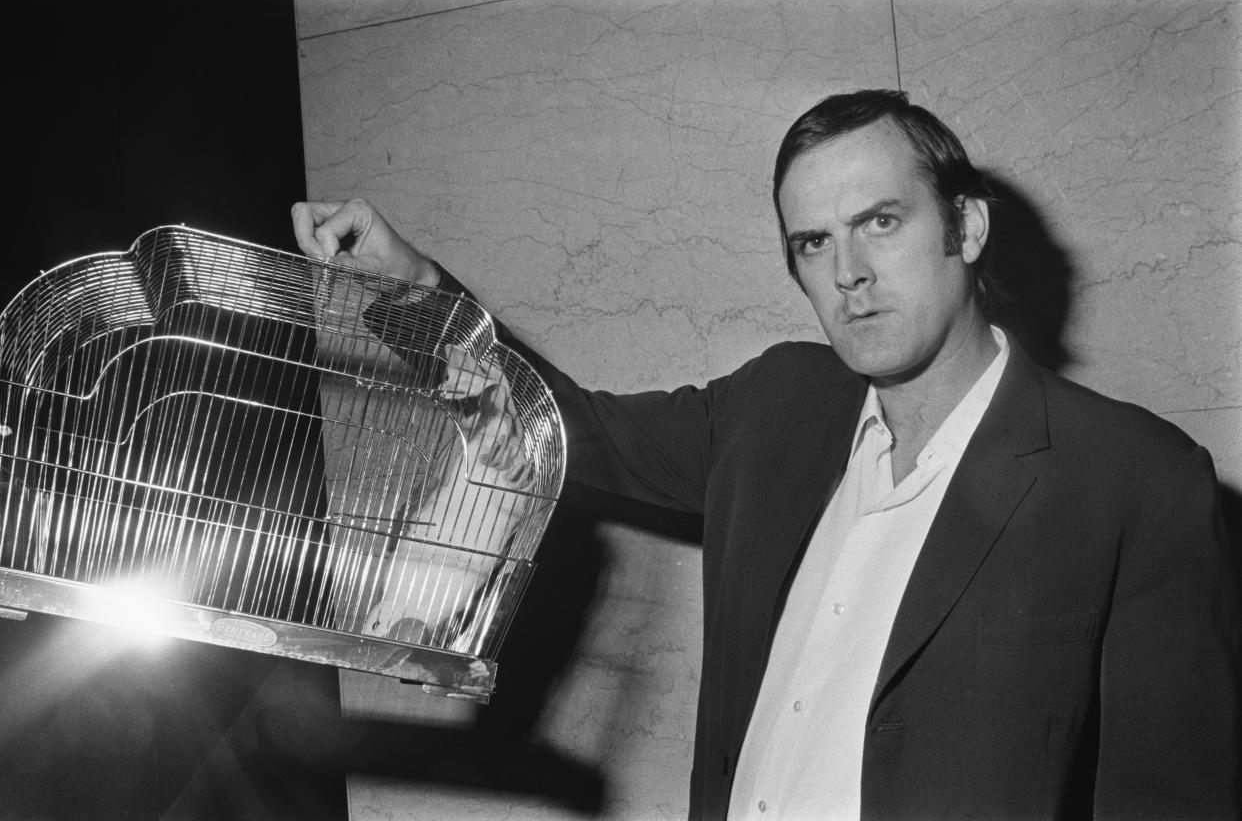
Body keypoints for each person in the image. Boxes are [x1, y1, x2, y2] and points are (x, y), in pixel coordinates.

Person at [293, 89, 1240, 820]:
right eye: (812, 242)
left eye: (881, 221)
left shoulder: (1134, 478)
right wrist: (414, 292)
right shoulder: (777, 406)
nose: (849, 273)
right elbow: (571, 433)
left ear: (968, 226)